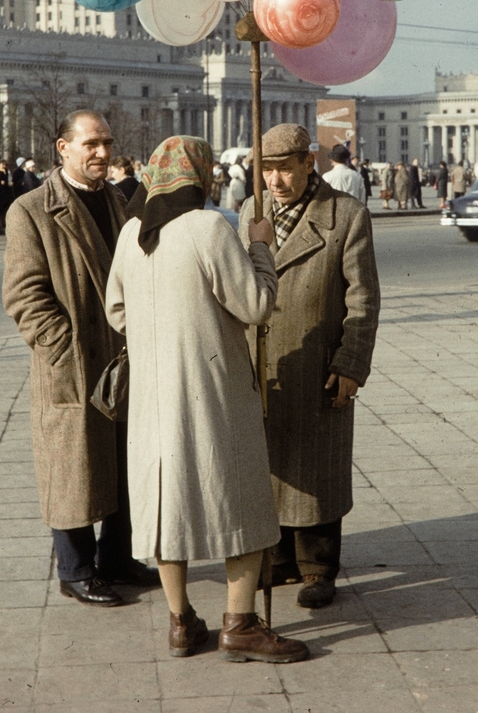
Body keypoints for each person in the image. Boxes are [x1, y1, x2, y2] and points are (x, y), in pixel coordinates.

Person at [106, 135, 307, 664]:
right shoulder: (209, 226)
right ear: (197, 175)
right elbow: (257, 304)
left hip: (153, 396)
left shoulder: (132, 233)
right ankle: (240, 623)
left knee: (166, 503)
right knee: (237, 494)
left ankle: (180, 622)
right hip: (213, 390)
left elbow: (117, 311)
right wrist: (259, 244)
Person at [3, 110, 158, 608]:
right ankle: (74, 569)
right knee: (70, 467)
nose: (102, 153)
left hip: (123, 357)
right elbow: (24, 295)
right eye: (91, 143)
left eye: (107, 143)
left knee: (121, 462)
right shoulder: (31, 210)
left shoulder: (121, 201)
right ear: (62, 148)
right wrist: (62, 346)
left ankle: (116, 558)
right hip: (72, 364)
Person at [240, 123, 380, 611]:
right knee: (272, 465)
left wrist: (350, 364)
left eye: (285, 169)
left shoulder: (345, 216)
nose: (275, 182)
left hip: (320, 365)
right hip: (267, 366)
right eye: (267, 170)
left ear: (308, 163)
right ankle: (277, 558)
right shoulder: (249, 213)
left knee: (318, 468)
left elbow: (363, 300)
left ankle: (319, 566)